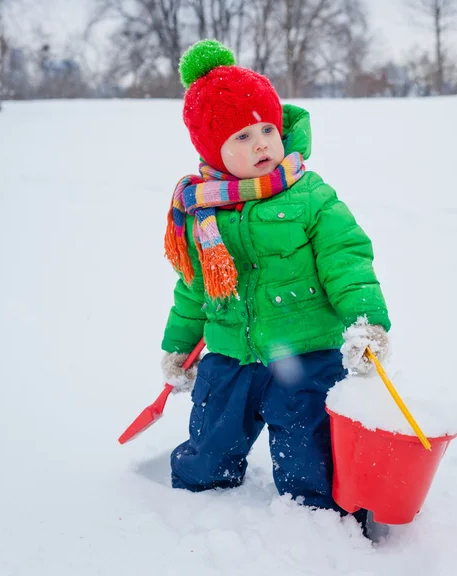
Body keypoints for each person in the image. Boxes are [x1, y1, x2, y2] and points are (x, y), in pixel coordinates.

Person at [160, 40, 391, 521]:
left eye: (267, 128)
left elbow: (346, 258)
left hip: (305, 350)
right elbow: (194, 285)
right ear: (213, 150)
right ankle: (192, 501)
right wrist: (180, 345)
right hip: (229, 351)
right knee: (210, 439)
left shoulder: (311, 196)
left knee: (307, 446)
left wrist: (365, 322)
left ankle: (316, 519)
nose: (262, 143)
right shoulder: (202, 210)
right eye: (242, 137)